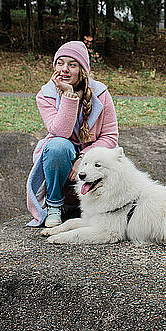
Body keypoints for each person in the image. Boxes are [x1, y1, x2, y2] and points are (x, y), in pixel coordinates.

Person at [26, 40, 118, 227]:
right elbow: (60, 132)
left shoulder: (101, 94)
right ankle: (54, 205)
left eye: (72, 64)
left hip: (91, 162)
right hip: (61, 162)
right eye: (60, 63)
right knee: (56, 146)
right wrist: (68, 96)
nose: (64, 69)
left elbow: (110, 136)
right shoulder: (46, 95)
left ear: (82, 69)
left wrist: (83, 159)